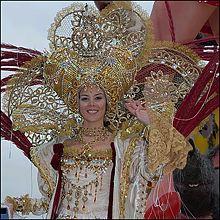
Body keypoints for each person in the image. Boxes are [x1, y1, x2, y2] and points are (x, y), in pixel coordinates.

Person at [2, 2, 194, 219]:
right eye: (85, 98)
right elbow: (51, 202)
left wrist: (148, 120)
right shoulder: (56, 150)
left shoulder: (123, 148)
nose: (91, 104)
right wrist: (16, 205)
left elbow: (165, 159)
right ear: (77, 103)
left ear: (107, 102)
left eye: (98, 97)